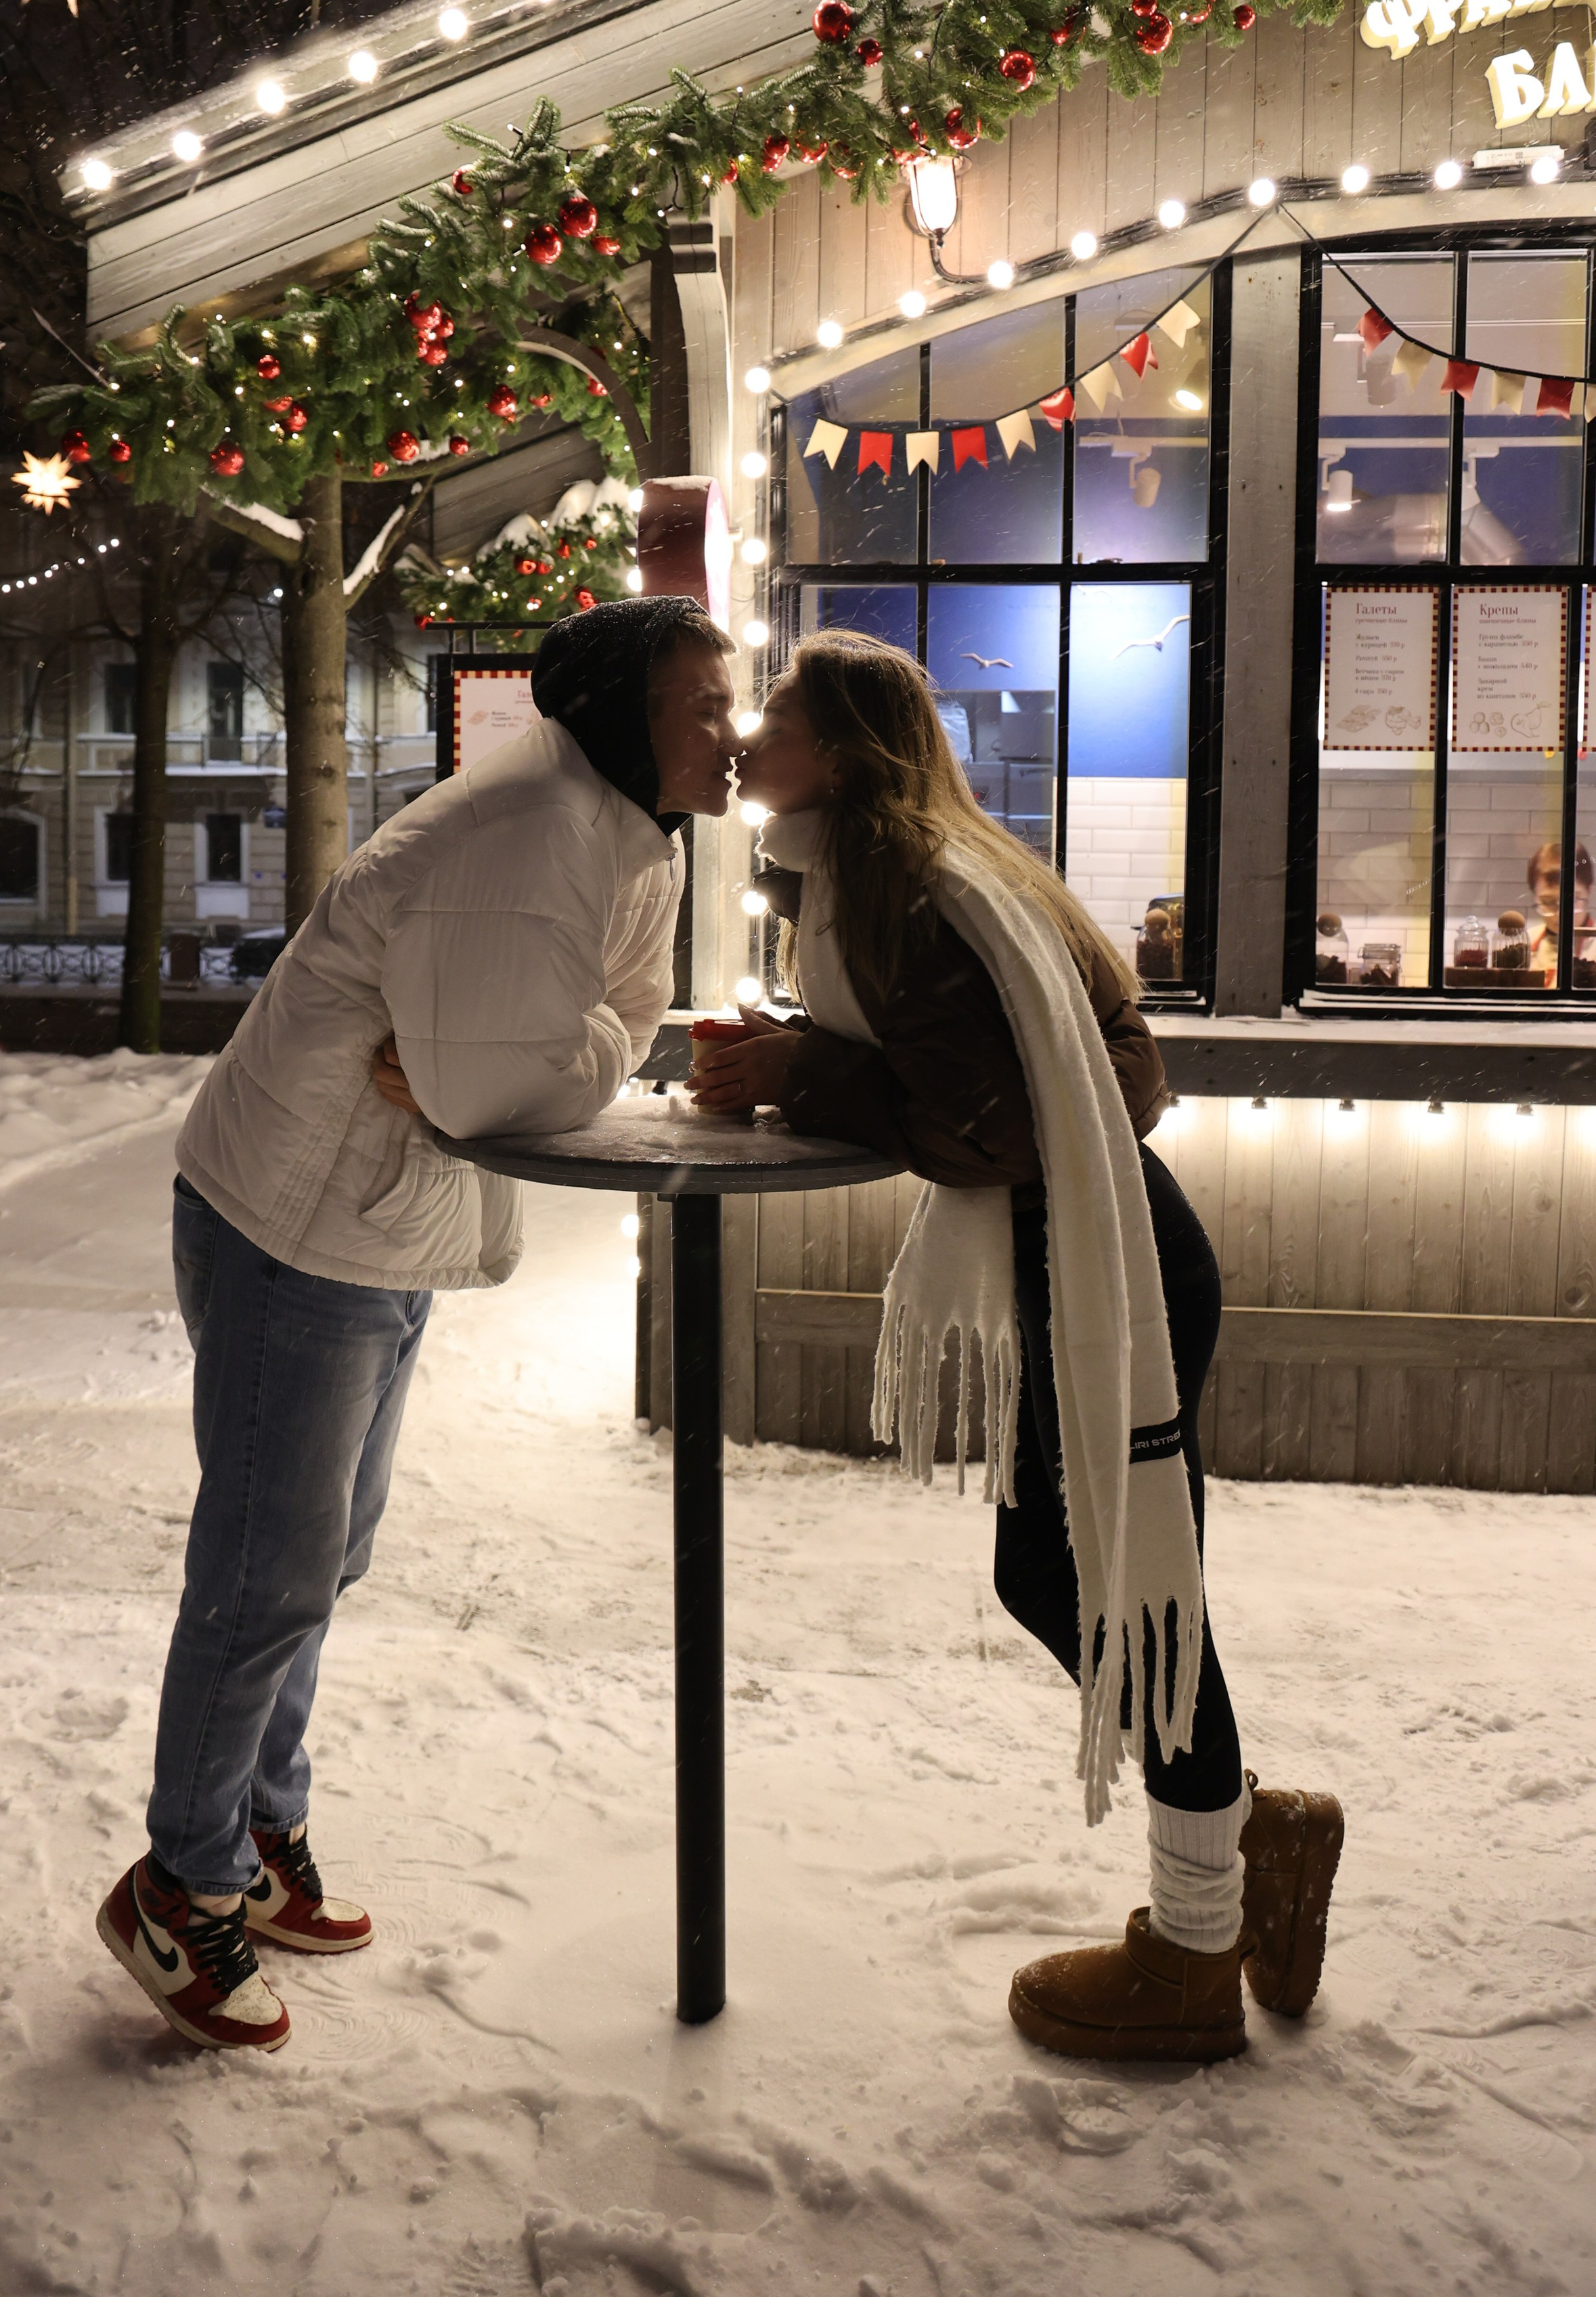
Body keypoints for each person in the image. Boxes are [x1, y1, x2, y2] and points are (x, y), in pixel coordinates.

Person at [97, 596, 739, 2053]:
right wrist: (518, 1058)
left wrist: (525, 1054)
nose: (729, 727)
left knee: (326, 1552)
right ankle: (178, 1882)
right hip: (293, 1222)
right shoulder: (532, 836)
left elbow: (599, 1034)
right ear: (624, 712)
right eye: (704, 702)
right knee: (267, 1570)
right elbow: (496, 1091)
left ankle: (255, 1836)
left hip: (374, 1216)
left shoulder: (631, 833)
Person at [695, 632, 1342, 2065]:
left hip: (1101, 1260)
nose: (745, 735)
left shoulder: (905, 894)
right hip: (1115, 1245)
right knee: (1102, 1576)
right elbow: (1082, 1069)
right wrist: (809, 1053)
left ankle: (1193, 1944)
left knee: (1106, 1584)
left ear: (845, 749)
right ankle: (1246, 1841)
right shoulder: (922, 870)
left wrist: (806, 1070)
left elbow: (984, 1123)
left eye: (776, 716)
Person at [1526, 839, 1595, 988]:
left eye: (1572, 901)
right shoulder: (1526, 943)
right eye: (1548, 902)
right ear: (1534, 895)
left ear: (1589, 891)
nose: (1560, 914)